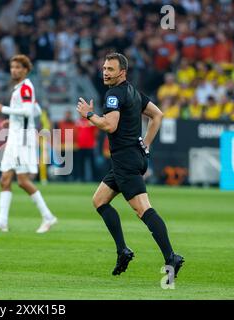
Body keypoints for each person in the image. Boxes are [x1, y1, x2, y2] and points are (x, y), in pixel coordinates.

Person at [76, 52, 184, 278]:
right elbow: (157, 115)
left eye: (110, 69)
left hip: (125, 160)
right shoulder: (133, 92)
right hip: (131, 157)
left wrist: (89, 115)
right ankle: (122, 250)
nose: (105, 72)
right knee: (99, 200)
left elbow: (109, 126)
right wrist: (146, 144)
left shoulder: (114, 94)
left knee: (143, 209)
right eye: (104, 68)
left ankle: (170, 257)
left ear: (122, 72)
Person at [0, 54, 57, 233]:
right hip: (16, 136)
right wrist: (13, 120)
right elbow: (36, 109)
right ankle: (2, 222)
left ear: (25, 70)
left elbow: (27, 110)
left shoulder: (25, 88)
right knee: (4, 179)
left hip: (22, 138)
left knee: (23, 181)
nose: (14, 70)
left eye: (18, 67)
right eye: (12, 67)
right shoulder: (22, 88)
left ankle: (48, 217)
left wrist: (4, 110)